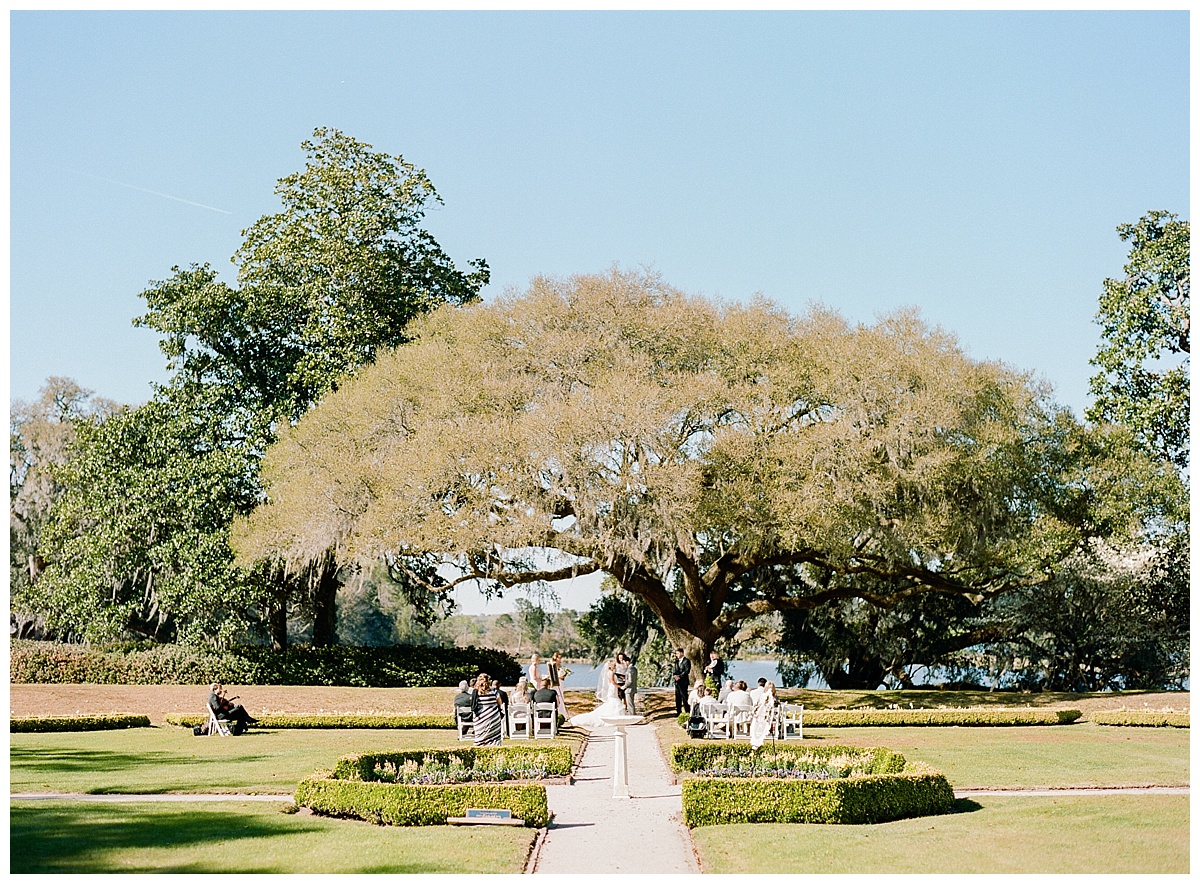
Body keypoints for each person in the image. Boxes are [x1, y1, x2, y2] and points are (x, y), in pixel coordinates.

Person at [569, 660, 627, 729]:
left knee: (614, 702)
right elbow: (612, 682)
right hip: (612, 687)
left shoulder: (610, 672)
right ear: (611, 666)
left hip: (613, 688)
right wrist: (620, 687)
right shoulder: (611, 673)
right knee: (614, 701)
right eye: (614, 665)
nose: (615, 666)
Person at [471, 673, 504, 746]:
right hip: (493, 716)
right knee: (494, 737)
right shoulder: (493, 691)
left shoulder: (475, 692)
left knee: (480, 737)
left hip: (480, 716)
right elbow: (500, 702)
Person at [749, 680, 780, 749]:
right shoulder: (775, 698)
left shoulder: (762, 698)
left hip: (763, 718)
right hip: (771, 718)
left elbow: (758, 707)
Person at [672, 648, 691, 715]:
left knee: (684, 697)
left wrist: (679, 676)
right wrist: (675, 676)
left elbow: (687, 671)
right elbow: (674, 670)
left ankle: (687, 711)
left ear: (682, 653)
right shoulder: (676, 662)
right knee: (678, 697)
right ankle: (678, 712)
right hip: (677, 682)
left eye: (677, 653)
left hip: (683, 682)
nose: (676, 655)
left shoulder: (686, 661)